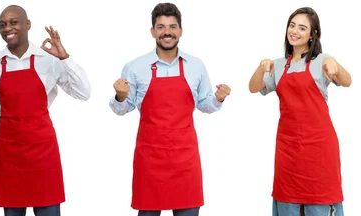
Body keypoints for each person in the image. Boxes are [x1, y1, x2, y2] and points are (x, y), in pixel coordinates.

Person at [0, 4, 91, 216]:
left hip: (43, 154)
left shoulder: (48, 59)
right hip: (9, 156)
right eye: (2, 24)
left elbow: (84, 93)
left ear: (27, 24)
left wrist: (65, 58)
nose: (7, 29)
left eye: (14, 22)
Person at [109, 3, 231, 216]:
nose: (167, 32)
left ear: (180, 31)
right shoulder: (135, 66)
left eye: (173, 27)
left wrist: (218, 99)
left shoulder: (196, 65)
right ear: (152, 31)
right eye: (161, 27)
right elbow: (123, 109)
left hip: (185, 159)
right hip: (150, 159)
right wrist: (120, 96)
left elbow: (204, 104)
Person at [248, 7, 351, 216]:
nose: (294, 31)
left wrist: (335, 64)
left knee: (320, 199)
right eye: (292, 25)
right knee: (288, 200)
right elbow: (253, 88)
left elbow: (347, 82)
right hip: (288, 149)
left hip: (319, 149)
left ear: (313, 35)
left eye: (302, 28)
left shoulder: (322, 61)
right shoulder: (277, 65)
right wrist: (260, 68)